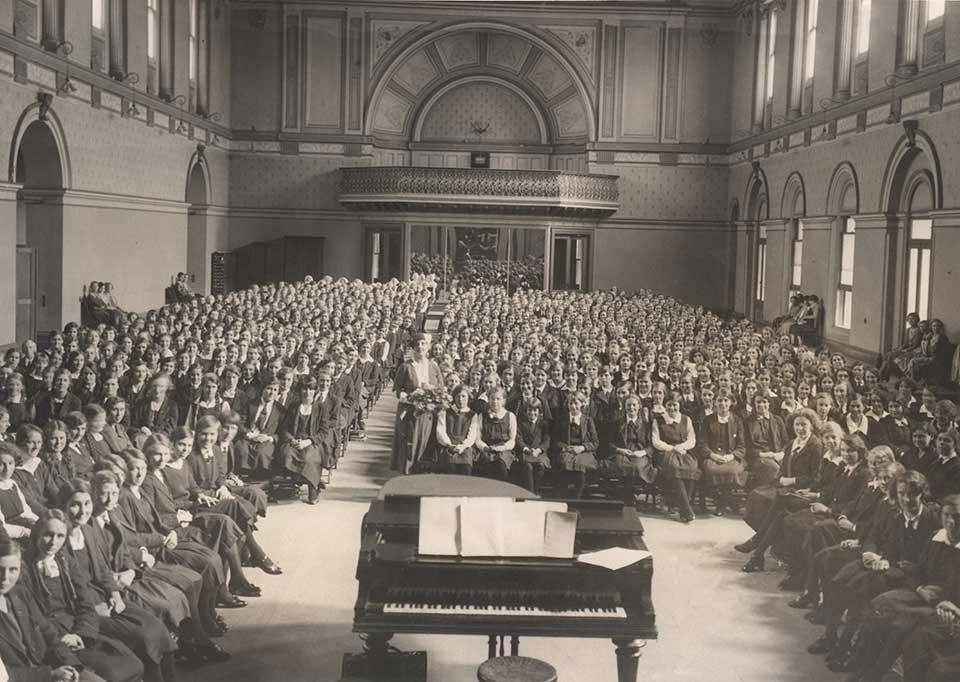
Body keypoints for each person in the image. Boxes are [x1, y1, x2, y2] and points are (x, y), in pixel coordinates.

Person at [19, 509, 145, 682]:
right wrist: (62, 639)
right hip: (49, 639)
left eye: (60, 536)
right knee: (110, 674)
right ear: (36, 534)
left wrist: (80, 634)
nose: (53, 543)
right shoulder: (22, 568)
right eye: (48, 535)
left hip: (76, 629)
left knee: (133, 663)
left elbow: (85, 603)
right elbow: (31, 618)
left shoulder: (65, 562)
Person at [0, 539, 107, 682]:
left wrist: (71, 666)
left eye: (13, 569)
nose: (5, 578)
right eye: (0, 569)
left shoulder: (20, 594)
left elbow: (48, 633)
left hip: (49, 669)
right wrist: (49, 675)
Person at [277, 375, 338, 504]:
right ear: (300, 391)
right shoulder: (294, 406)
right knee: (286, 454)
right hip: (294, 440)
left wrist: (308, 441)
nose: (307, 392)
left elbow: (323, 431)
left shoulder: (321, 408)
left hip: (312, 442)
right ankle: (299, 482)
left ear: (315, 390)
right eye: (304, 389)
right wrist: (291, 440)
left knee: (310, 458)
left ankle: (313, 487)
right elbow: (285, 427)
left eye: (311, 389)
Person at [391, 334, 443, 474]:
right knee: (409, 443)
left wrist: (430, 389)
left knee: (425, 442)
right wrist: (410, 396)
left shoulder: (433, 367)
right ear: (413, 348)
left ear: (428, 347)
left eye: (423, 344)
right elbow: (398, 391)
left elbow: (441, 390)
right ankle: (406, 472)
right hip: (409, 412)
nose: (420, 347)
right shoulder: (406, 367)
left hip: (428, 413)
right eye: (417, 344)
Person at [651, 391, 699, 523]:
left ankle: (682, 507)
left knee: (692, 468)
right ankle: (686, 510)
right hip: (665, 452)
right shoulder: (658, 420)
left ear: (680, 405)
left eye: (675, 405)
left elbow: (692, 439)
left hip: (683, 451)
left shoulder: (686, 419)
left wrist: (682, 447)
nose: (672, 408)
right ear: (665, 405)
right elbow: (656, 441)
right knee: (675, 468)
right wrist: (672, 448)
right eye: (669, 405)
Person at [433, 384, 478, 476]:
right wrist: (449, 444)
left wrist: (463, 446)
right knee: (449, 469)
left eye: (463, 396)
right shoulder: (444, 413)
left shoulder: (472, 415)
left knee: (465, 470)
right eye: (458, 396)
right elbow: (440, 432)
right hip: (448, 447)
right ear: (454, 397)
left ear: (468, 397)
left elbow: (472, 435)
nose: (461, 399)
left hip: (465, 448)